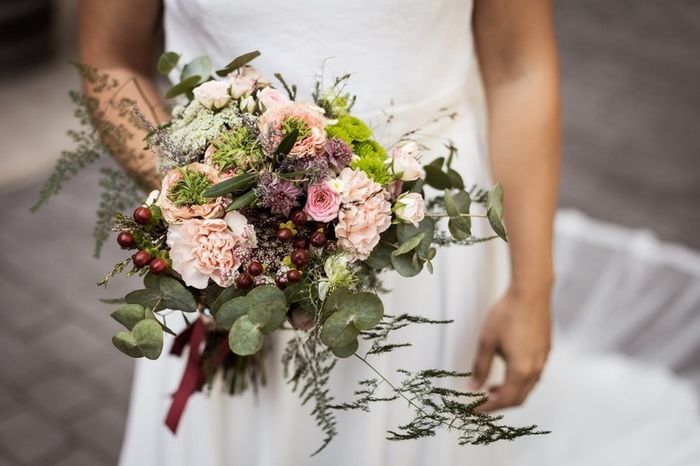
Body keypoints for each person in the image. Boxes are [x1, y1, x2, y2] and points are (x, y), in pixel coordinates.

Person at [78, 0, 559, 464]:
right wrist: (209, 202)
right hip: (232, 247)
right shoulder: (224, 233)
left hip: (426, 239)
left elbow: (520, 67)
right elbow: (110, 59)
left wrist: (532, 289)